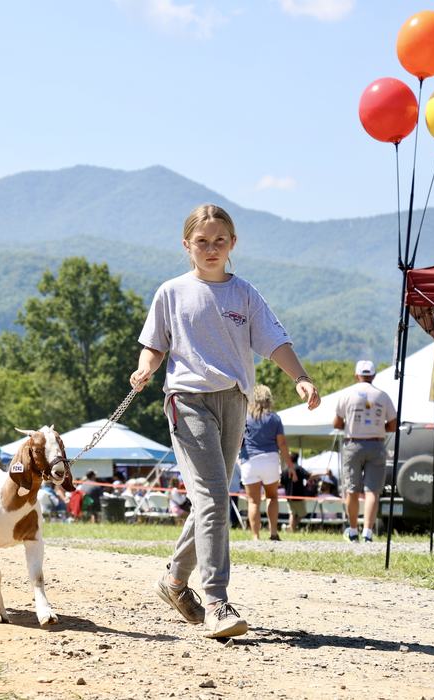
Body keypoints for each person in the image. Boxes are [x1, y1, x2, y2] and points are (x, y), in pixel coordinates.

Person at [131, 203, 320, 639]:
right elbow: (154, 345)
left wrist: (301, 378)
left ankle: (174, 582)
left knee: (211, 500)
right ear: (187, 245)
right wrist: (145, 368)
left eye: (220, 240)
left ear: (233, 243)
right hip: (187, 399)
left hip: (235, 400)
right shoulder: (171, 292)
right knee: (214, 497)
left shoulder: (244, 294)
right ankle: (216, 602)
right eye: (202, 241)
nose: (211, 248)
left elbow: (274, 341)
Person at [334, 360, 397, 543]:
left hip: (353, 444)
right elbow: (393, 424)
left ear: (357, 375)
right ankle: (368, 533)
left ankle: (353, 531)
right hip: (376, 444)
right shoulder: (382, 396)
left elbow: (337, 423)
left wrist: (351, 425)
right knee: (372, 491)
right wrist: (378, 427)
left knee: (352, 490)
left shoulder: (347, 394)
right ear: (374, 376)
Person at [238, 384, 296, 541]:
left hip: (249, 460)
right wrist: (290, 466)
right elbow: (282, 444)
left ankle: (256, 536)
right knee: (272, 497)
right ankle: (273, 533)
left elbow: (238, 440)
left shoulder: (245, 418)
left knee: (253, 501)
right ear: (268, 399)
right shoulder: (274, 418)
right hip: (270, 460)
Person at [281, 453, 311, 532]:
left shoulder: (285, 470)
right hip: (299, 495)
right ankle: (292, 528)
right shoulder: (299, 468)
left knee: (292, 513)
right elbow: (308, 476)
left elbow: (281, 483)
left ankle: (291, 528)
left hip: (289, 496)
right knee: (302, 514)